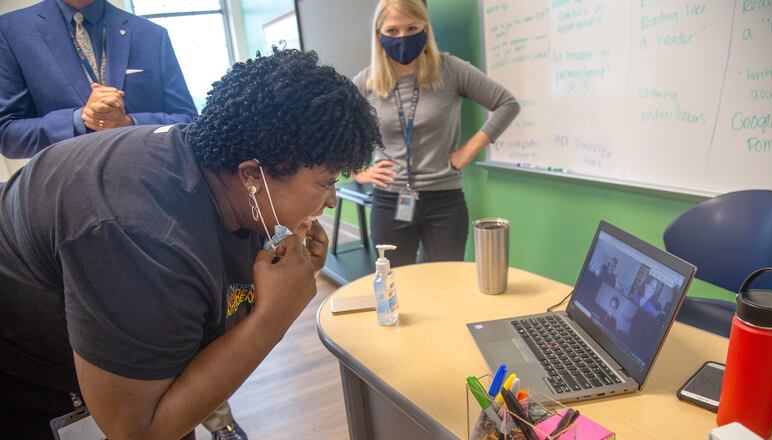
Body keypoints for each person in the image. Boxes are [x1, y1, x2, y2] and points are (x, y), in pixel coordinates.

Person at [0, 48, 382, 439]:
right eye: (325, 183)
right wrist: (275, 315)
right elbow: (136, 430)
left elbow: (200, 316)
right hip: (21, 366)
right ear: (251, 175)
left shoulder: (224, 173)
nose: (332, 200)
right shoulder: (146, 236)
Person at [351, 0, 519, 267]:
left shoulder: (451, 70)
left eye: (412, 28)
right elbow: (332, 130)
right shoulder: (366, 82)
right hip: (390, 201)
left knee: (445, 287)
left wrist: (467, 152)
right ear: (378, 34)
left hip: (444, 201)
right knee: (396, 285)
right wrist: (357, 172)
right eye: (392, 30)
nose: (402, 37)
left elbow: (507, 104)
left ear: (425, 29)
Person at [0, 0, 197, 159]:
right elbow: (8, 136)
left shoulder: (152, 35)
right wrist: (80, 120)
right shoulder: (11, 31)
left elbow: (188, 122)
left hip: (151, 187)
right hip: (68, 193)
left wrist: (129, 123)